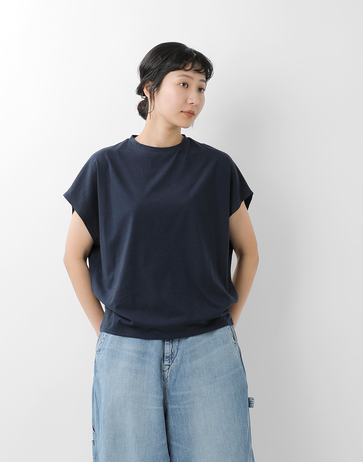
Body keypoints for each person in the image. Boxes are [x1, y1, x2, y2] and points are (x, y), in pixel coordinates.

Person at [63, 41, 259, 462]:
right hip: (126, 351)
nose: (195, 98)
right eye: (184, 84)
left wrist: (226, 324)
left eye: (202, 88)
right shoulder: (105, 167)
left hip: (208, 349)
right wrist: (105, 330)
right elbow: (73, 255)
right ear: (149, 89)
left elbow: (249, 252)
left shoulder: (216, 167)